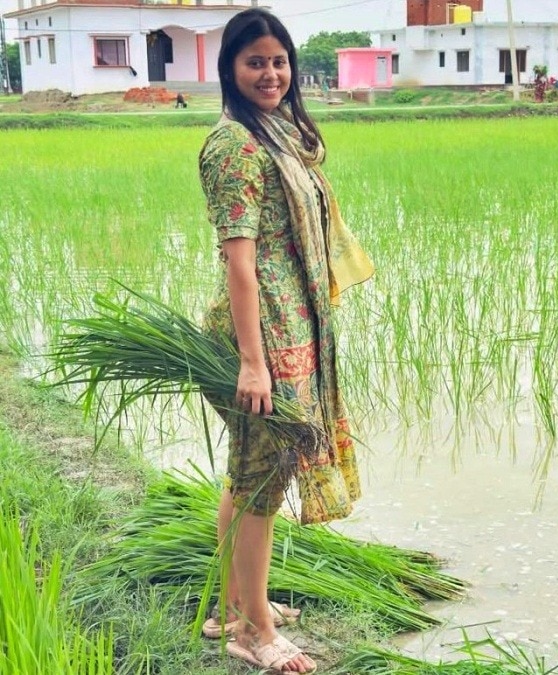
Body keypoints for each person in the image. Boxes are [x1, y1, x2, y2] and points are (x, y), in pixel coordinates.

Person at [197, 7, 374, 672]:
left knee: (248, 476)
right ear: (231, 70)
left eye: (278, 61)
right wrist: (252, 362)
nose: (270, 73)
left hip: (288, 326)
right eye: (255, 62)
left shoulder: (277, 134)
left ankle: (239, 602)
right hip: (261, 338)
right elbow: (240, 263)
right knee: (260, 482)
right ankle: (254, 630)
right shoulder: (234, 147)